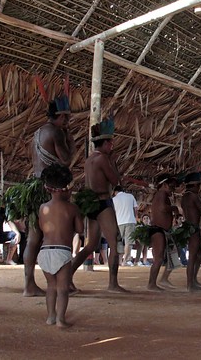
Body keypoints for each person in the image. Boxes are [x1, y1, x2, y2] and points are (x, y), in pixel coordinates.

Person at [22, 95, 73, 297]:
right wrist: (71, 142)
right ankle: (61, 282)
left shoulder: (38, 132)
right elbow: (66, 160)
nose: (67, 122)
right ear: (58, 116)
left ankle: (29, 284)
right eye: (65, 118)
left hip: (34, 186)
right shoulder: (56, 132)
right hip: (48, 190)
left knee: (33, 238)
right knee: (56, 236)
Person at [70, 117, 126, 292]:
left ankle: (67, 276)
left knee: (91, 245)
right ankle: (113, 284)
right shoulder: (103, 159)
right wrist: (114, 161)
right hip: (102, 202)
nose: (112, 146)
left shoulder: (89, 160)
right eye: (111, 143)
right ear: (106, 143)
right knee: (115, 242)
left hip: (91, 204)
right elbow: (115, 180)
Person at [37, 164, 82, 328]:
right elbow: (79, 229)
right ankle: (61, 320)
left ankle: (50, 317)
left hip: (45, 251)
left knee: (51, 287)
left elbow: (42, 227)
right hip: (62, 252)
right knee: (63, 288)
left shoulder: (43, 208)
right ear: (67, 189)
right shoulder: (72, 208)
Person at [147, 174, 178, 291]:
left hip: (163, 231)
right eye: (171, 186)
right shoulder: (161, 194)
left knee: (172, 256)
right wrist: (174, 209)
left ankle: (163, 279)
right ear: (164, 185)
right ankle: (151, 284)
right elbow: (162, 208)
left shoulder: (163, 195)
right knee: (158, 259)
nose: (173, 189)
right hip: (158, 230)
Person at [181, 171, 201, 292]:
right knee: (192, 257)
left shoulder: (185, 196)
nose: (199, 188)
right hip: (193, 228)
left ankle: (193, 280)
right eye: (199, 185)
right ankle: (190, 284)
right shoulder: (193, 196)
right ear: (195, 185)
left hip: (189, 227)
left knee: (199, 255)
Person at [113, 185, 138, 266]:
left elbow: (112, 212)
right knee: (128, 242)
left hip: (119, 222)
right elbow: (135, 209)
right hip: (130, 221)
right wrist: (134, 218)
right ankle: (125, 261)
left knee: (119, 242)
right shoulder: (130, 196)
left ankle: (119, 261)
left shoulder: (113, 199)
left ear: (115, 192)